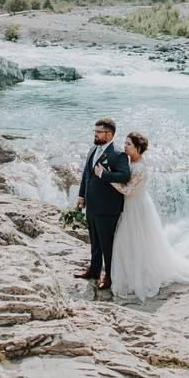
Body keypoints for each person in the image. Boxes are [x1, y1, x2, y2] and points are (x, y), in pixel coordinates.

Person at [108, 131, 189, 300]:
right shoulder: (132, 162)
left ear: (137, 148)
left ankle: (138, 276)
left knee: (134, 240)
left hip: (136, 206)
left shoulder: (139, 167)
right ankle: (132, 274)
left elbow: (128, 191)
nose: (125, 146)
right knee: (131, 241)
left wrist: (108, 178)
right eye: (125, 143)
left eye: (129, 144)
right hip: (135, 204)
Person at [74, 117, 131, 290]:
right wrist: (81, 196)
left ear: (109, 134)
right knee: (95, 241)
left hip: (108, 208)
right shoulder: (93, 149)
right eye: (95, 131)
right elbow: (86, 174)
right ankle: (94, 270)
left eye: (99, 132)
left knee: (107, 244)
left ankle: (110, 277)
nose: (96, 134)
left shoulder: (118, 154)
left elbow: (125, 176)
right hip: (91, 205)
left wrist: (104, 174)